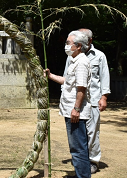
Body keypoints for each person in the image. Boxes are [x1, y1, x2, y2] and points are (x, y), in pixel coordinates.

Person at [45, 30, 92, 178]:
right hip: (70, 110)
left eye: (68, 43)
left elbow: (81, 87)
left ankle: (83, 176)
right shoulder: (74, 61)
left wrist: (76, 109)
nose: (66, 46)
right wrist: (50, 76)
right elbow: (68, 82)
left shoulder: (82, 62)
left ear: (78, 46)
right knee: (76, 147)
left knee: (78, 149)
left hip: (75, 112)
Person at [77, 28, 110, 174]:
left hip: (94, 100)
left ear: (90, 40)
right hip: (77, 101)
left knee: (92, 132)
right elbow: (66, 76)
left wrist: (104, 97)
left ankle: (93, 161)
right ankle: (81, 160)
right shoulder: (73, 55)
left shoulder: (99, 56)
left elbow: (104, 77)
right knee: (78, 132)